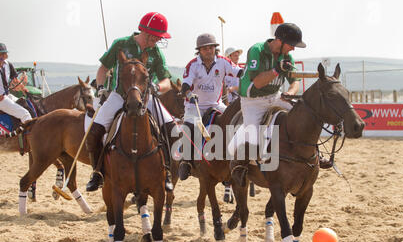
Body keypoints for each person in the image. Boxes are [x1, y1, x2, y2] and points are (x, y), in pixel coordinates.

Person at [85, 12, 176, 192]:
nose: (158, 41)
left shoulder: (156, 53)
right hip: (119, 96)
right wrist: (102, 87)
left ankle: (167, 172)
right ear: (148, 33)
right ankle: (97, 173)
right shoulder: (121, 44)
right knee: (94, 132)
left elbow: (166, 81)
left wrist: (157, 88)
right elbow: (104, 68)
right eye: (157, 37)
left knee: (173, 131)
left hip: (145, 98)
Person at [229, 23, 305, 186]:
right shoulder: (256, 50)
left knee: (303, 119)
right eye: (291, 45)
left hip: (275, 97)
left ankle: (314, 156)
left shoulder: (287, 57)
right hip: (252, 101)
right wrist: (277, 69)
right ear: (280, 41)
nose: (293, 49)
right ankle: (239, 166)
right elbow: (257, 82)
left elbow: (295, 81)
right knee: (253, 139)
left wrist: (290, 93)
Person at [177, 33, 243, 180]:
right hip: (195, 104)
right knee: (189, 126)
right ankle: (185, 161)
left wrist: (251, 76)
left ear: (215, 49)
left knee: (234, 121)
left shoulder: (223, 62)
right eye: (205, 48)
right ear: (199, 50)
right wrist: (188, 94)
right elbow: (186, 84)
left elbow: (239, 72)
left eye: (211, 48)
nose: (208, 51)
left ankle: (239, 159)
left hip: (215, 104)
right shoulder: (193, 64)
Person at [0, 43, 32, 124]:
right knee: (25, 115)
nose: (2, 57)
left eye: (4, 54)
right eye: (1, 54)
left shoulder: (8, 65)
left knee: (26, 105)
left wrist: (23, 88)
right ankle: (29, 135)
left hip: (7, 96)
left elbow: (15, 80)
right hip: (1, 99)